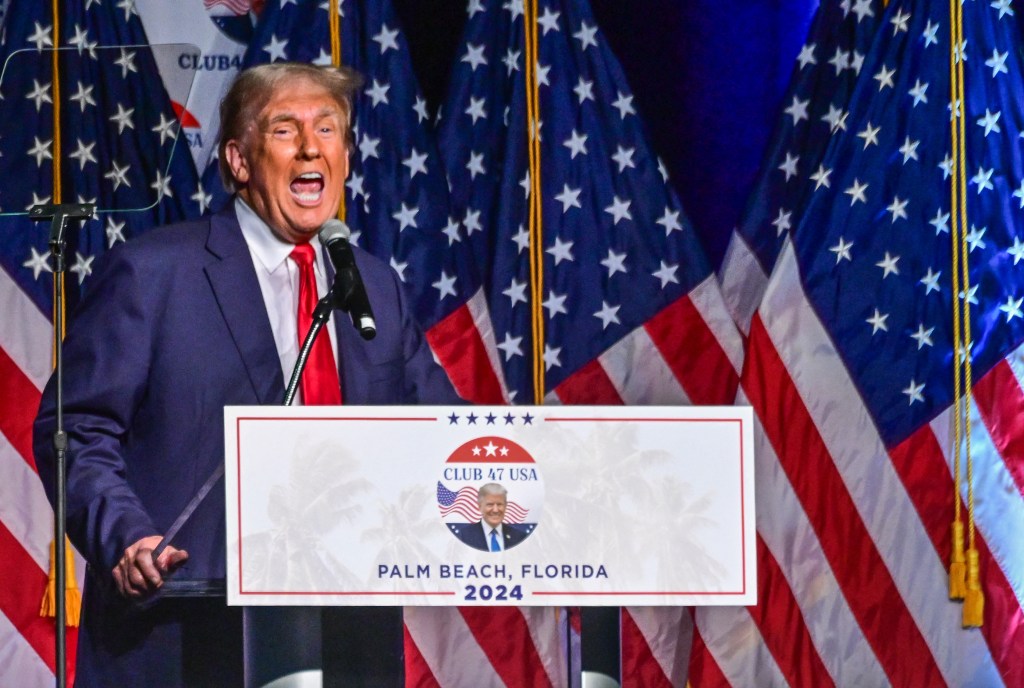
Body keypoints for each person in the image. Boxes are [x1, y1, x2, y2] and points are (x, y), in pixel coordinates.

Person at [33, 62, 461, 687]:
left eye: (328, 127)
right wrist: (125, 537)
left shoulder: (372, 286)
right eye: (286, 129)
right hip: (184, 636)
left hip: (347, 638)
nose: (313, 146)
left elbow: (441, 434)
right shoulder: (155, 274)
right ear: (238, 161)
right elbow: (75, 428)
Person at [454, 483, 530, 552]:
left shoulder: (518, 536)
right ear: (480, 506)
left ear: (505, 506)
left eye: (499, 504)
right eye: (490, 504)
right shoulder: (464, 536)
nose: (495, 510)